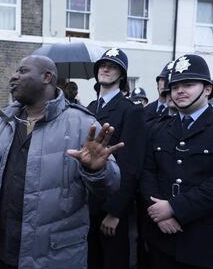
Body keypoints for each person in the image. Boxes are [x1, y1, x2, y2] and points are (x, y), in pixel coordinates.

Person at [0, 55, 122, 269]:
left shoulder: (82, 124)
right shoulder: (7, 121)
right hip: (3, 249)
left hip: (52, 258)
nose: (14, 76)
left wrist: (97, 170)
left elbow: (111, 185)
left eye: (22, 71)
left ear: (47, 77)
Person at [140, 54, 213, 269]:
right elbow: (147, 172)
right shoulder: (159, 128)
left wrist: (174, 208)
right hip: (160, 240)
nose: (180, 91)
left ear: (207, 89)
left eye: (188, 84)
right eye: (175, 86)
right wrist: (160, 214)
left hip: (202, 241)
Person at [86, 48, 146, 269]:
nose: (106, 68)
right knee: (90, 260)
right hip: (86, 202)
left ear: (122, 75)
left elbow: (132, 164)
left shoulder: (131, 111)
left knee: (112, 261)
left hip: (110, 204)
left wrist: (115, 211)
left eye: (113, 66)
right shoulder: (90, 108)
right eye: (102, 64)